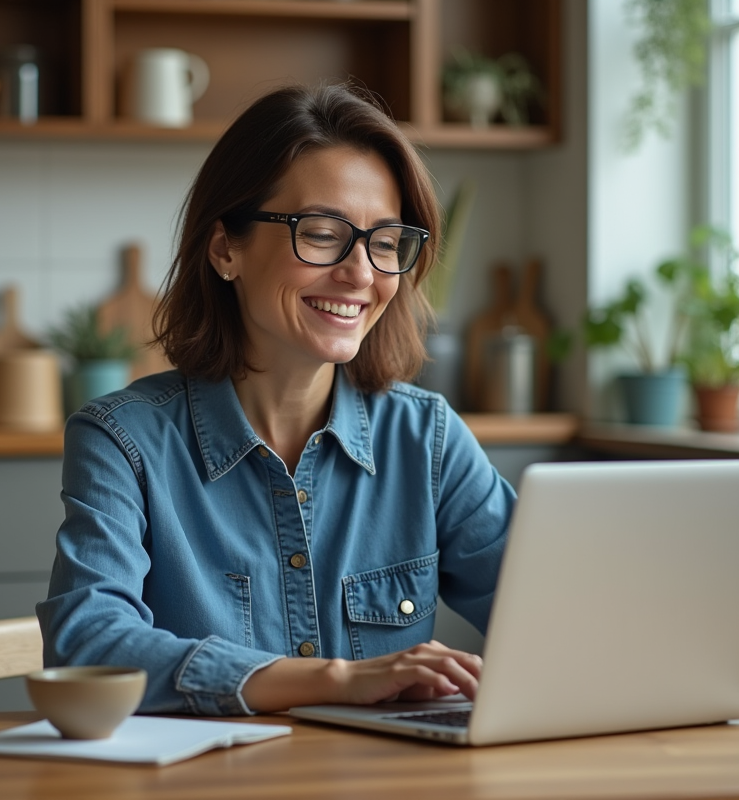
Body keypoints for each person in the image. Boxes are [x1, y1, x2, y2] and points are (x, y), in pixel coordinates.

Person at [36, 83, 516, 716]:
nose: (362, 274)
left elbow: (555, 617)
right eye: (321, 234)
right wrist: (334, 680)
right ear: (225, 248)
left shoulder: (427, 439)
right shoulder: (122, 441)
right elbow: (87, 647)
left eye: (385, 241)